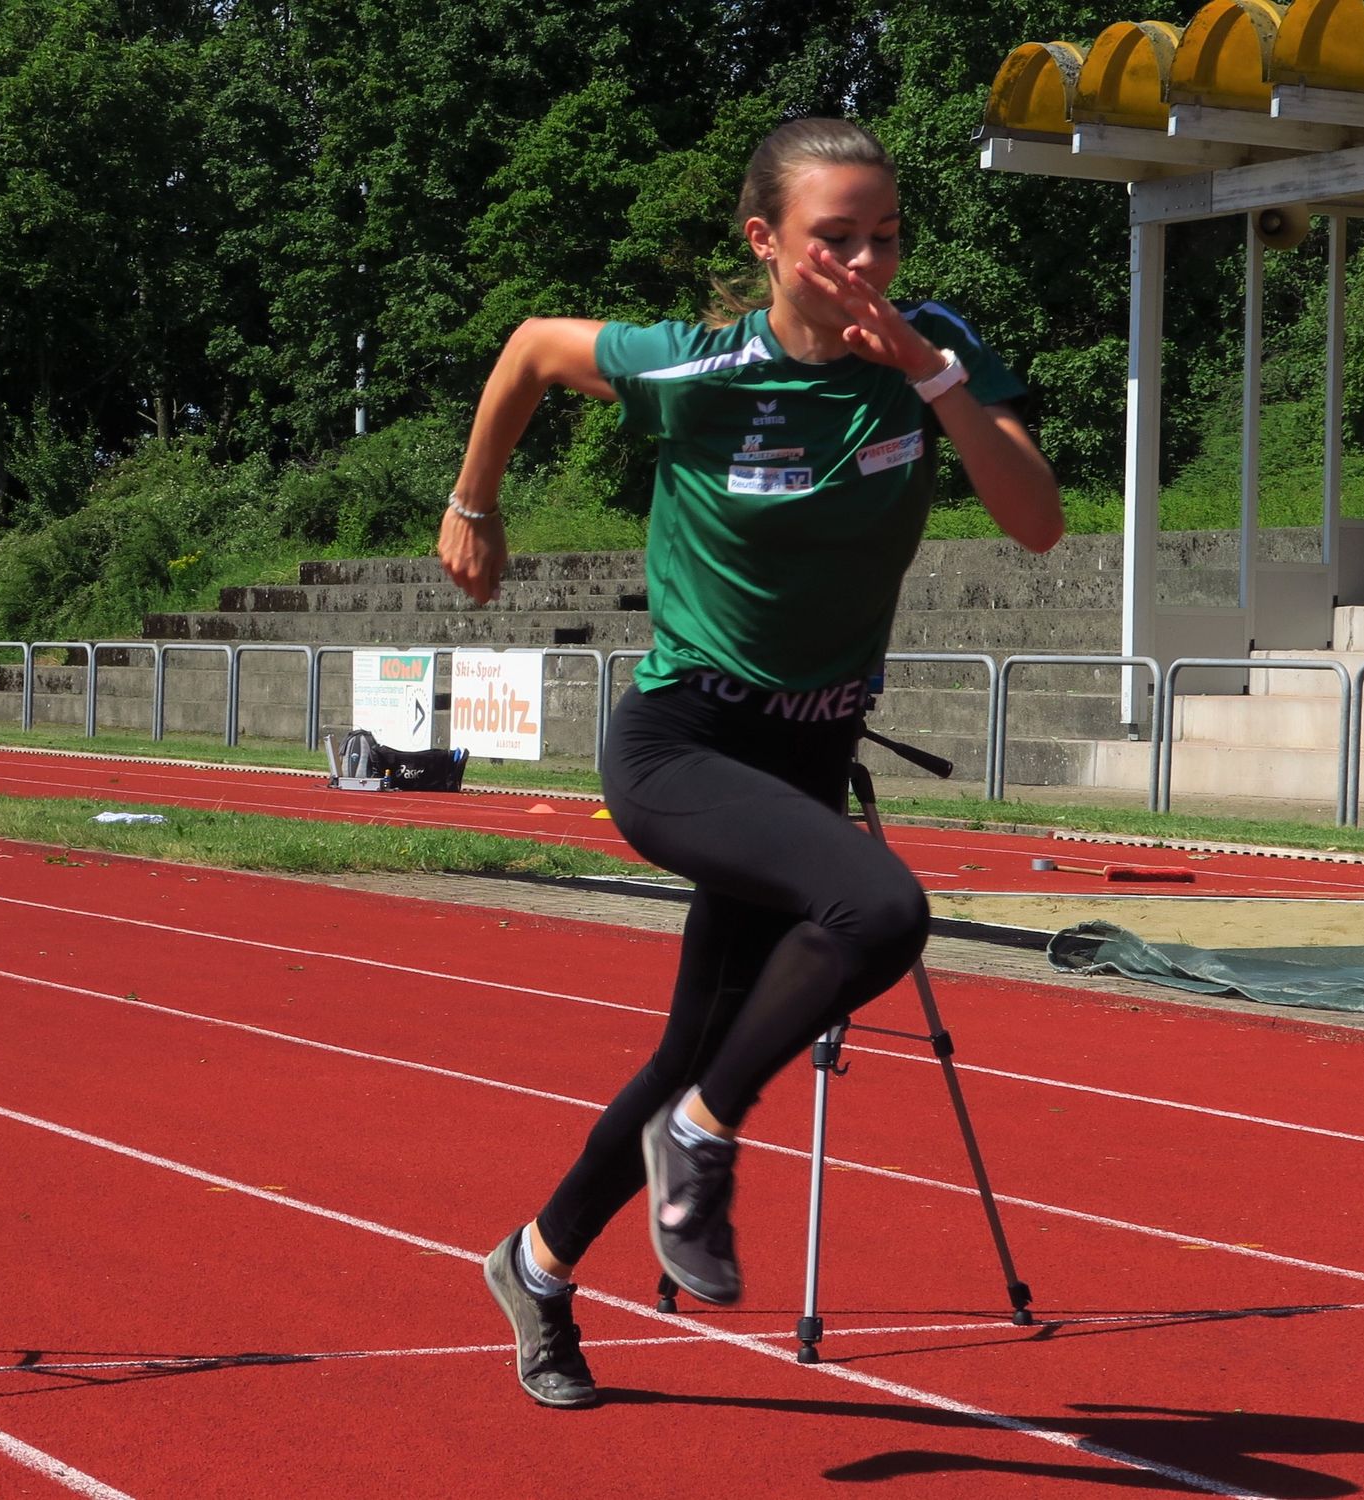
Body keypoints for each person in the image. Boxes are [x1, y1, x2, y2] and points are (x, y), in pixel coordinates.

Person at [437, 116, 1064, 1408]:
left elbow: (1038, 522)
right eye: (837, 239)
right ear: (766, 242)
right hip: (685, 741)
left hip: (809, 751)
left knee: (695, 1048)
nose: (867, 264)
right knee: (879, 910)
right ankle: (703, 1137)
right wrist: (473, 504)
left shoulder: (935, 351)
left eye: (886, 237)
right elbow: (532, 347)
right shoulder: (696, 366)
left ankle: (535, 1266)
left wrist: (932, 379)